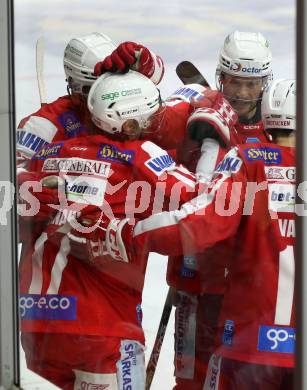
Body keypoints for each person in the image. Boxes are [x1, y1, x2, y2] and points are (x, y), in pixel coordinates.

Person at [18, 70, 236, 389]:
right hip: (101, 330)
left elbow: (15, 201)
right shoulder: (139, 153)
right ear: (131, 125)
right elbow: (206, 199)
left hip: (36, 327)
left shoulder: (49, 154)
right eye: (151, 118)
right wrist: (217, 148)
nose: (157, 127)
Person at [94, 30, 274, 389]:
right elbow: (157, 121)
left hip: (252, 284)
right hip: (196, 273)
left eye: (250, 84)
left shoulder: (279, 123)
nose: (240, 92)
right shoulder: (198, 102)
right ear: (221, 76)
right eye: (234, 81)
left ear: (264, 84)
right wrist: (141, 68)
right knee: (191, 379)